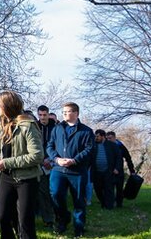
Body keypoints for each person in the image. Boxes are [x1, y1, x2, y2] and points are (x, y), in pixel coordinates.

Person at [0, 92, 44, 239]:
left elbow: (37, 156)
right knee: (2, 217)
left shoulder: (28, 125)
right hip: (5, 178)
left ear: (7, 106)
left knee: (25, 221)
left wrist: (7, 162)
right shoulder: (1, 125)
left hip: (26, 179)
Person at [46, 102, 95, 238]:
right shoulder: (57, 128)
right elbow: (50, 146)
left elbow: (90, 149)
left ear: (76, 113)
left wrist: (75, 160)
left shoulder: (86, 131)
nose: (64, 114)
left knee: (78, 200)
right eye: (63, 112)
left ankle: (79, 228)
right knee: (56, 195)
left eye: (67, 111)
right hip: (58, 169)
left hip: (77, 171)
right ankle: (62, 220)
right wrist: (56, 159)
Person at [35, 105, 57, 226]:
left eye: (44, 115)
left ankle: (58, 215)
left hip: (54, 163)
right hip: (40, 163)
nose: (42, 117)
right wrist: (42, 160)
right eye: (40, 115)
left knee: (55, 191)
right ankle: (48, 219)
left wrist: (51, 159)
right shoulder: (35, 126)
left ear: (48, 114)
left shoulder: (56, 128)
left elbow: (58, 145)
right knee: (43, 192)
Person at [106, 131, 136, 207]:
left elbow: (128, 158)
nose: (109, 140)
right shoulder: (106, 146)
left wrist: (132, 170)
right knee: (109, 188)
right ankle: (110, 203)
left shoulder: (120, 146)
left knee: (119, 188)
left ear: (114, 138)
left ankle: (119, 204)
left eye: (110, 138)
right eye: (107, 138)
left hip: (119, 171)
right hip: (109, 171)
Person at [90, 129, 117, 210]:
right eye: (95, 136)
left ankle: (109, 206)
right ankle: (103, 203)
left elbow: (118, 157)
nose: (96, 138)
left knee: (108, 189)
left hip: (108, 171)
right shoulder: (93, 145)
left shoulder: (111, 145)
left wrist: (116, 168)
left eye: (97, 136)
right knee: (98, 189)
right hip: (96, 171)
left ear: (103, 136)